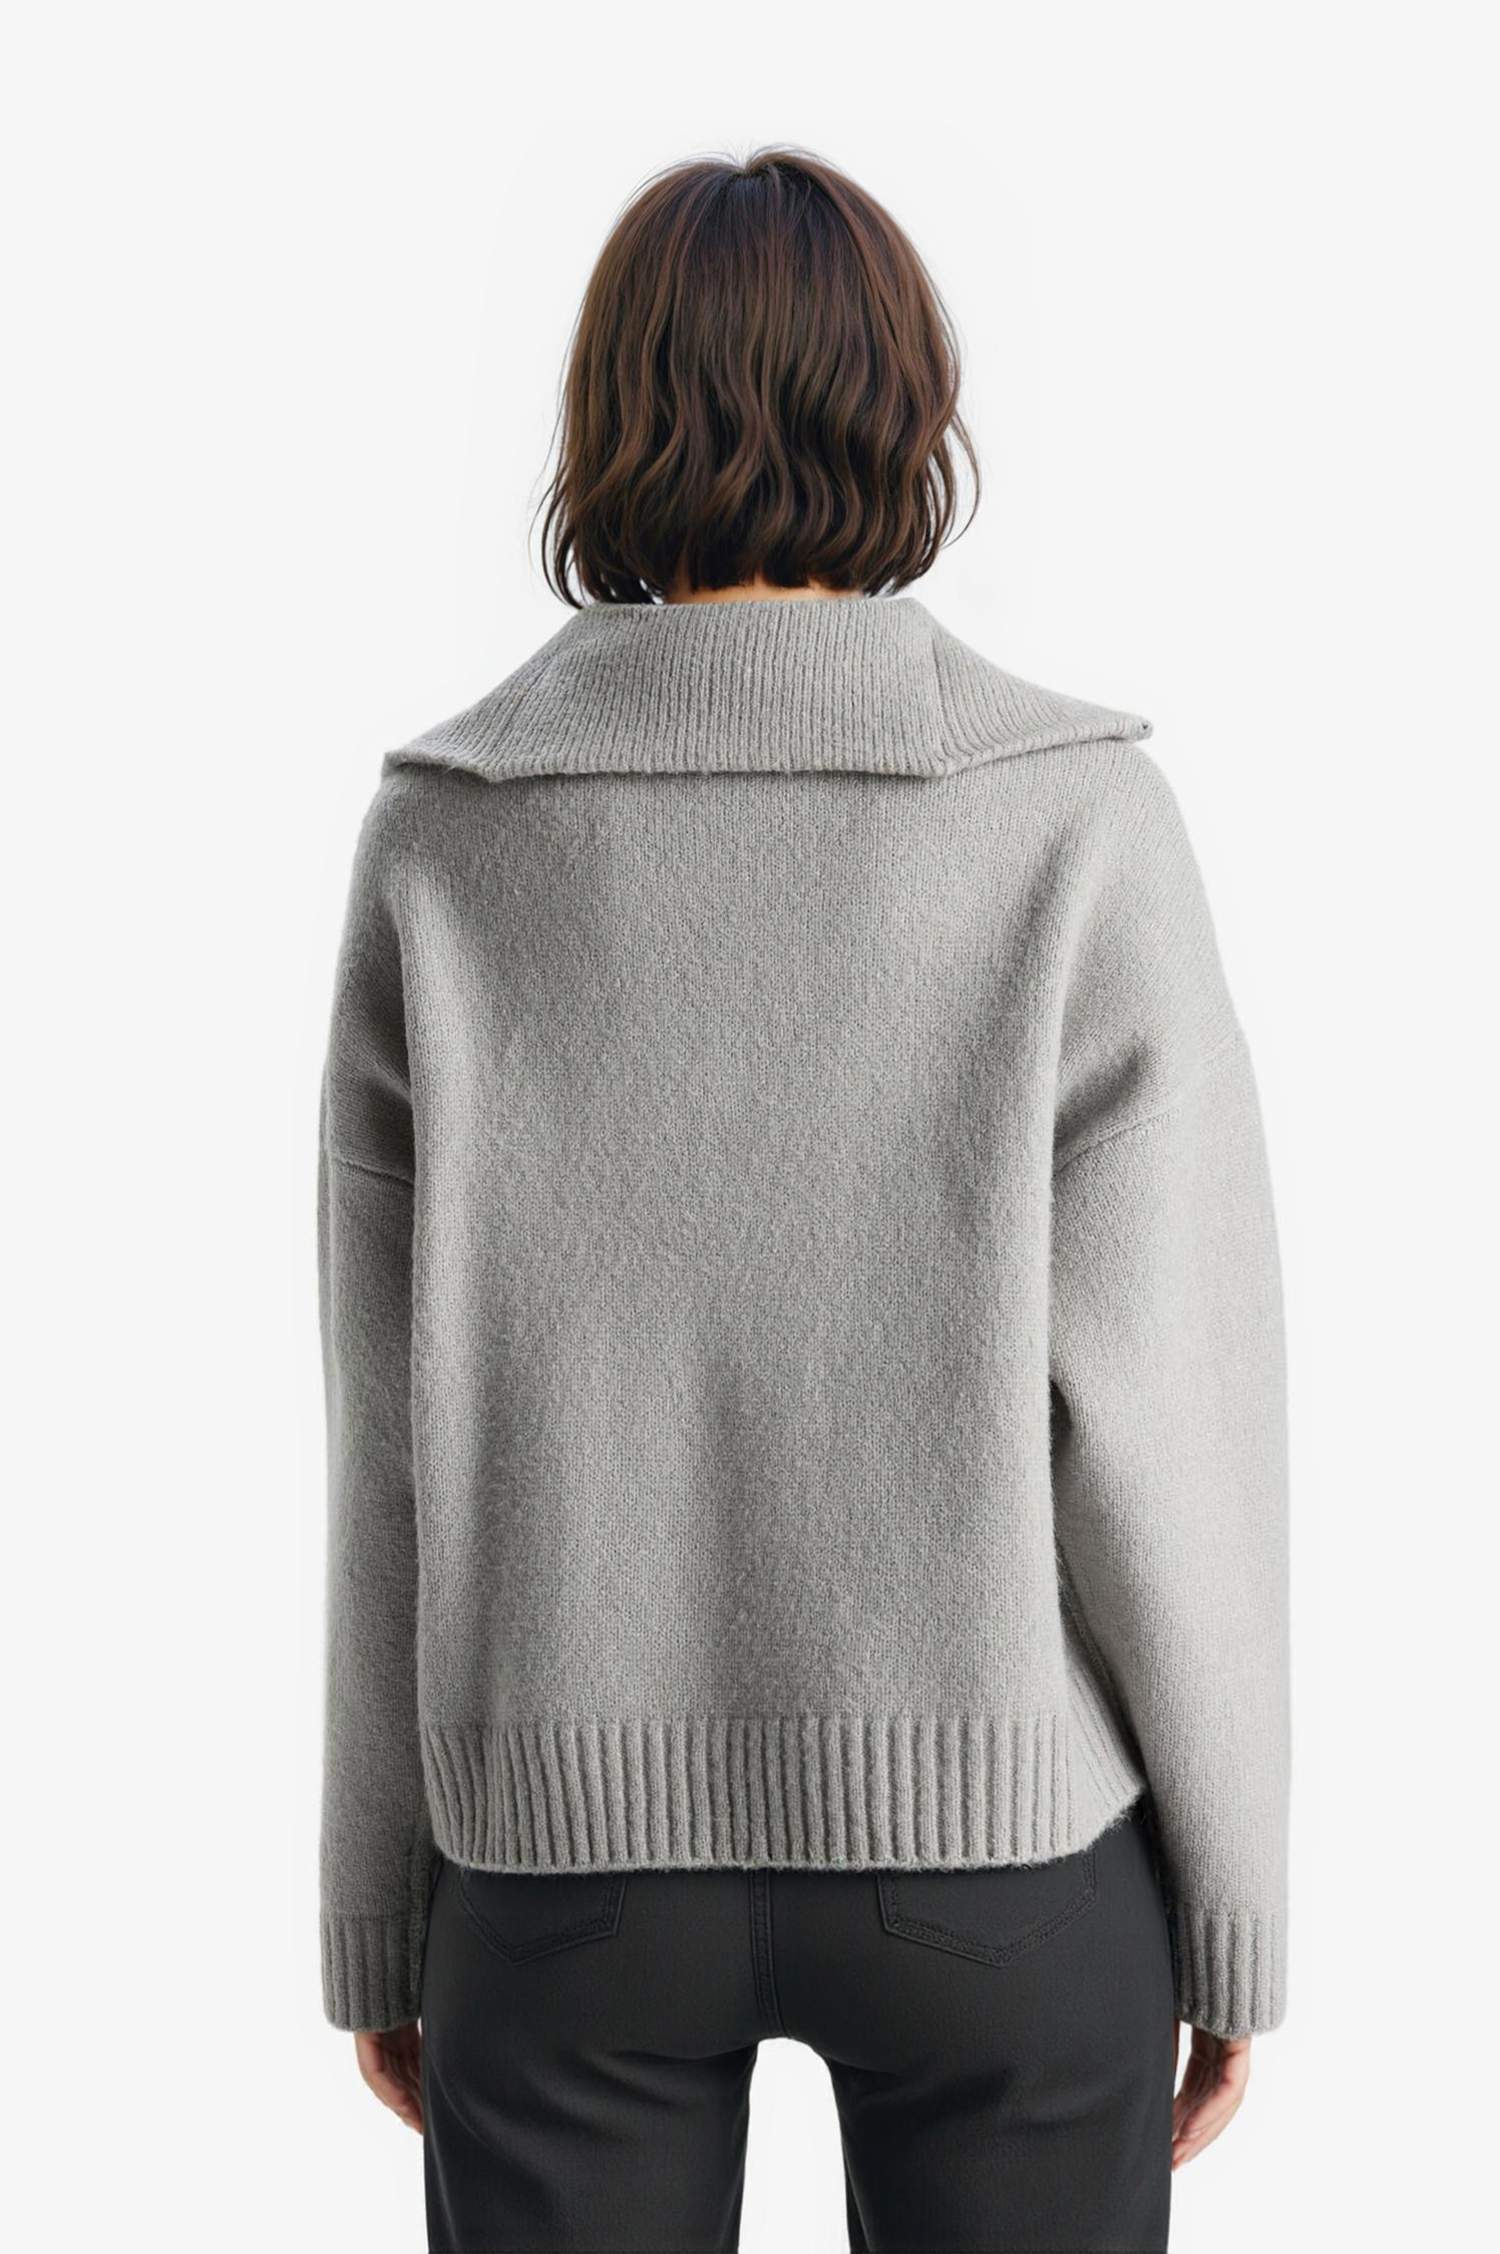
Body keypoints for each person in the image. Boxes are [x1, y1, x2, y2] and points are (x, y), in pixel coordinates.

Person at [316, 148, 1290, 2254]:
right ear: (909, 410)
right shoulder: (1077, 822)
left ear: (609, 419)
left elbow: (392, 1437)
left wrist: (380, 1903)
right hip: (1003, 1856)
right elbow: (1169, 1427)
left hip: (559, 1864)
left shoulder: (446, 835)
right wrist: (1234, 1906)